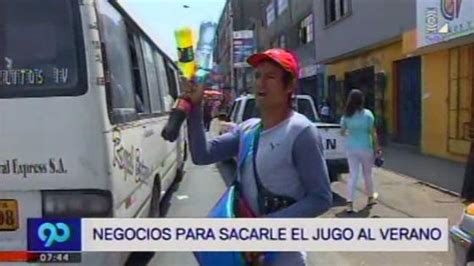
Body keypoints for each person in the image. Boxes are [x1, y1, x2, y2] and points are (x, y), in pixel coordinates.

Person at [182, 48, 332, 266]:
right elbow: (202, 154)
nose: (261, 83)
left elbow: (321, 198)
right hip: (246, 256)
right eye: (258, 76)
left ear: (289, 86)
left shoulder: (301, 131)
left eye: (271, 76)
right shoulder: (248, 129)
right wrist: (195, 108)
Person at [340, 89, 382, 213]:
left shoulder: (346, 116)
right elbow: (373, 133)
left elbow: (342, 132)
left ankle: (349, 203)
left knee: (353, 175)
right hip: (366, 147)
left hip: (351, 148)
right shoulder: (368, 114)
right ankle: (370, 198)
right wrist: (377, 147)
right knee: (367, 174)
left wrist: (351, 134)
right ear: (362, 100)